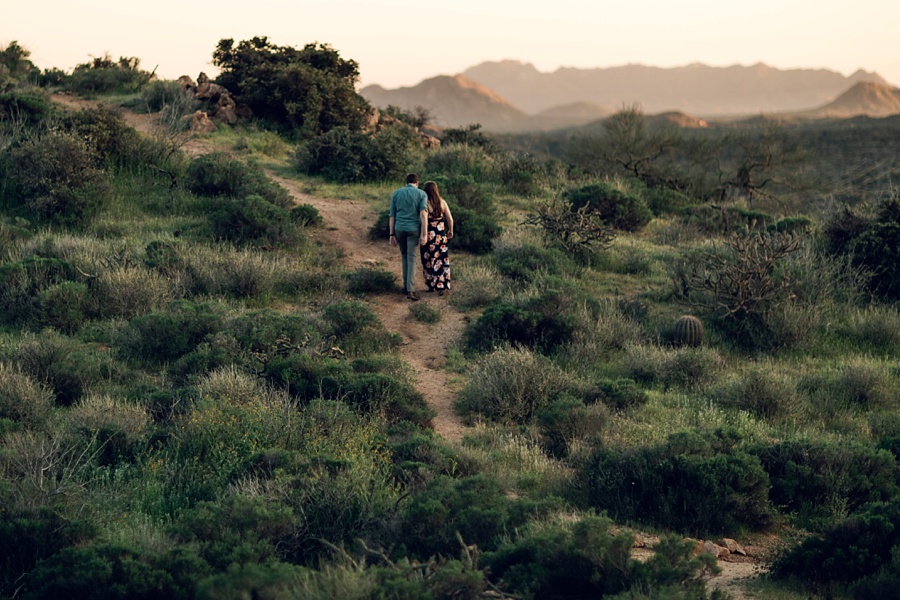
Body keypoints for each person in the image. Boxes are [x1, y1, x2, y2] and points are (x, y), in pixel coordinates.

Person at [389, 173, 428, 301]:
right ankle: (410, 290)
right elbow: (423, 214)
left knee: (404, 256)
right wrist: (424, 233)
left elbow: (392, 215)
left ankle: (406, 286)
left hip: (399, 228)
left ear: (406, 182)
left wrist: (391, 234)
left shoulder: (396, 193)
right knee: (412, 258)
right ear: (417, 182)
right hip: (413, 229)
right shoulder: (422, 194)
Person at [420, 181, 454, 295]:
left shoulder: (424, 203)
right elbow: (450, 219)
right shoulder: (442, 202)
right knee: (441, 259)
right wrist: (450, 230)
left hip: (429, 235)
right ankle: (442, 284)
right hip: (441, 235)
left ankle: (431, 284)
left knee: (428, 260)